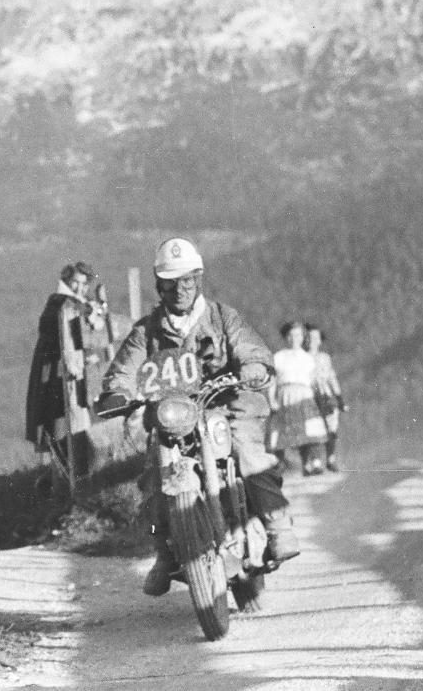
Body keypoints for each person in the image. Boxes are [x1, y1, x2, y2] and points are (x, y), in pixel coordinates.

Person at [97, 238, 300, 597]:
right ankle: (162, 552)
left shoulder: (222, 317)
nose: (180, 290)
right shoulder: (147, 331)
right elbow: (125, 368)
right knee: (152, 480)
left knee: (249, 453)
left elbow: (250, 347)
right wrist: (118, 391)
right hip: (173, 416)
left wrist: (253, 365)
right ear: (159, 285)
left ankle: (277, 526)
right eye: (170, 283)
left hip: (226, 404)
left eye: (187, 281)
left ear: (198, 279)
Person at [25, 262, 98, 496]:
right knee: (58, 420)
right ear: (67, 282)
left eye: (84, 283)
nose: (79, 287)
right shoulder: (59, 302)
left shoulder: (72, 303)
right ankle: (62, 478)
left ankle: (64, 475)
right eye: (75, 282)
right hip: (54, 370)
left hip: (63, 367)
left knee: (67, 420)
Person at [268, 321, 328, 476]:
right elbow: (272, 381)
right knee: (282, 433)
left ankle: (312, 463)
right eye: (290, 335)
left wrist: (322, 398)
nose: (294, 339)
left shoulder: (308, 358)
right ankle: (278, 466)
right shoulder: (278, 357)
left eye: (298, 335)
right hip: (285, 396)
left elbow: (315, 381)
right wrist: (271, 399)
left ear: (303, 337)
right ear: (285, 337)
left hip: (305, 396)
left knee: (310, 429)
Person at [305, 323, 347, 472]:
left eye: (316, 337)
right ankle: (316, 462)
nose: (313, 340)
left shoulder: (324, 357)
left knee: (331, 427)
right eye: (310, 337)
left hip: (326, 394)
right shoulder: (302, 357)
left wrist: (339, 398)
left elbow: (331, 378)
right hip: (309, 395)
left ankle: (330, 459)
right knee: (313, 428)